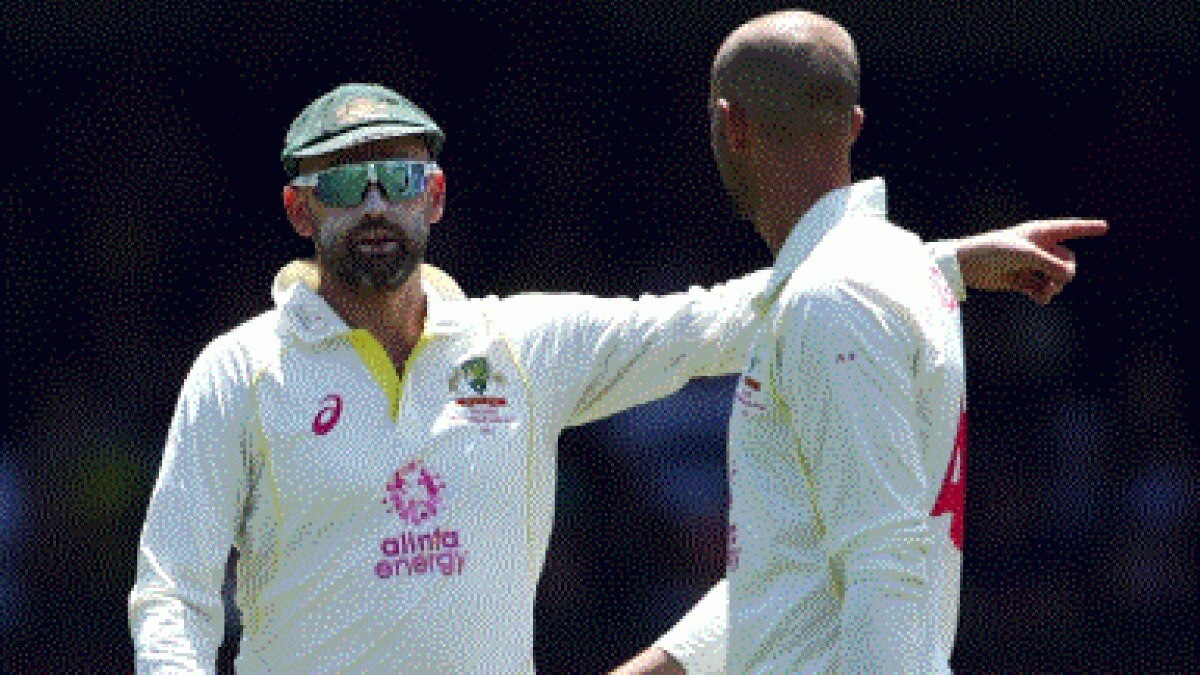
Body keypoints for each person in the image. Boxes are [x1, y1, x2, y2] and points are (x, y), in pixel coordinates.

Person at [128, 82, 1105, 673]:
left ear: (435, 196)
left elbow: (717, 316)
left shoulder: (517, 344)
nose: (373, 203)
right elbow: (170, 594)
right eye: (344, 184)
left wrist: (937, 261)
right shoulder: (241, 374)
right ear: (302, 212)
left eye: (397, 179)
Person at [613, 10, 1109, 675]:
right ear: (852, 126)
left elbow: (885, 563)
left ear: (731, 126)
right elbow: (792, 569)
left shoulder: (832, 299)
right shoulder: (890, 270)